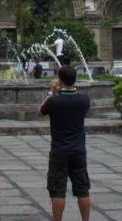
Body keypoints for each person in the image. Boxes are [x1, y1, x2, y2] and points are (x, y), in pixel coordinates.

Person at [38, 64, 92, 221]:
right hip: (79, 151)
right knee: (83, 189)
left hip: (59, 151)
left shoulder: (54, 101)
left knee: (58, 191)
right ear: (75, 80)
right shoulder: (84, 100)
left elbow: (40, 111)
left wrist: (51, 92)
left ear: (59, 80)